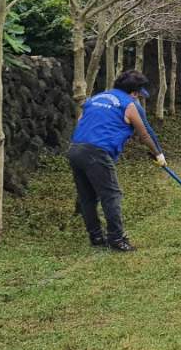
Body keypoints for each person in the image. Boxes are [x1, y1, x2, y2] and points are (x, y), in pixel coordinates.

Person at [66, 69, 165, 252]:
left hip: (75, 149)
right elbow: (144, 134)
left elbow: (81, 121)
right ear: (134, 92)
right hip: (97, 152)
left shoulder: (95, 98)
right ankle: (117, 239)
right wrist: (158, 155)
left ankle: (95, 236)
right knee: (111, 195)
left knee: (87, 196)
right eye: (138, 94)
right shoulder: (129, 104)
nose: (138, 98)